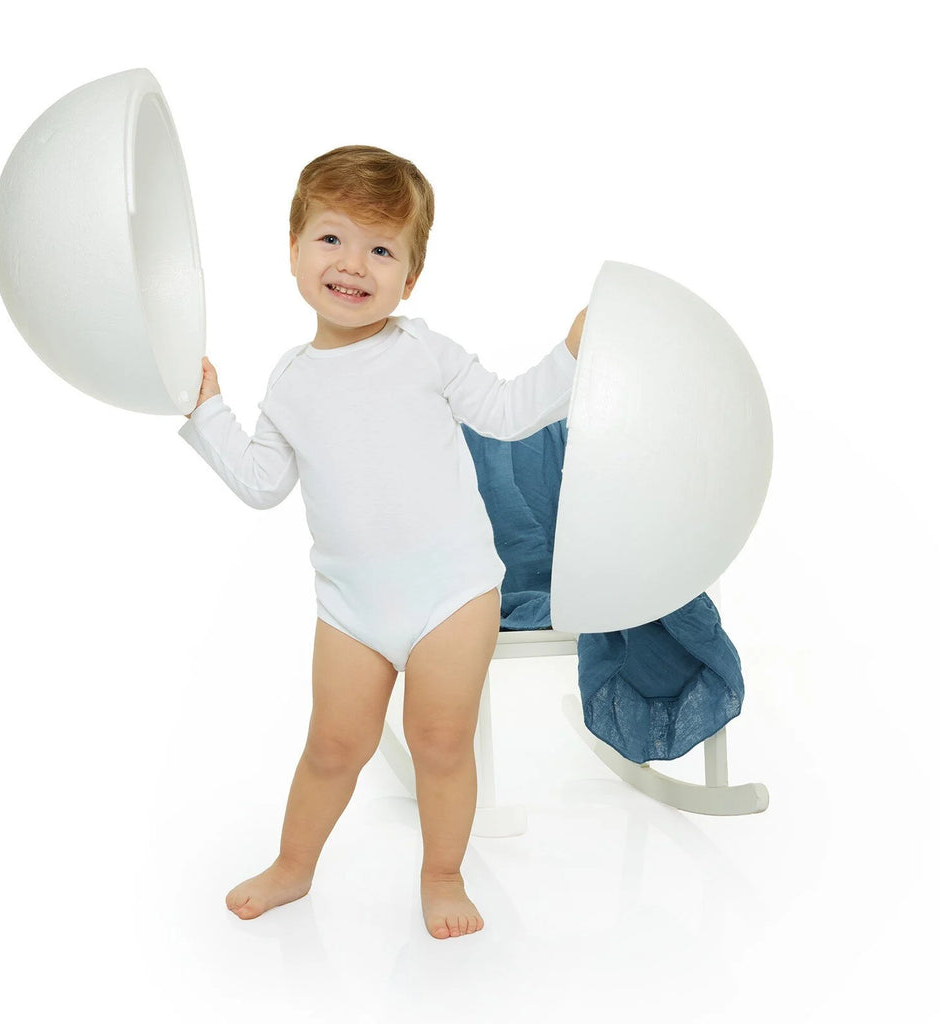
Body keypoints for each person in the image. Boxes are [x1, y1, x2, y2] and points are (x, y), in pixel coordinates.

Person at [179, 145, 585, 940]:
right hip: (352, 605)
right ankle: (293, 865)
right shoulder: (292, 380)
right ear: (293, 250)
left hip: (452, 591)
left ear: (410, 276)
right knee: (333, 746)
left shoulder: (422, 350)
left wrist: (573, 350)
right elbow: (262, 482)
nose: (352, 264)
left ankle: (443, 873)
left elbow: (507, 413)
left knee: (440, 740)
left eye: (381, 249)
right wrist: (207, 411)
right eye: (331, 239)